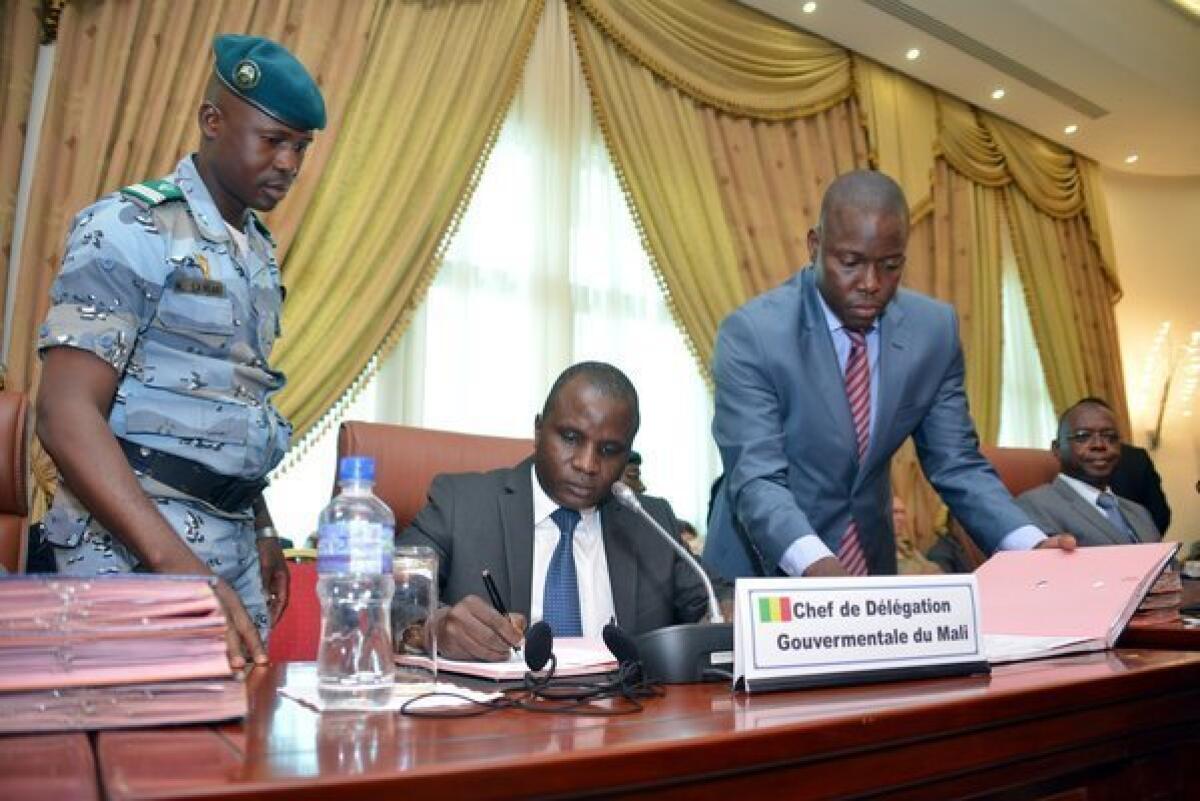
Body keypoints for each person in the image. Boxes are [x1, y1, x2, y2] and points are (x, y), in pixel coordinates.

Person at [35, 34, 326, 669]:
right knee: (134, 757)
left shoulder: (258, 249)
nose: (289, 163)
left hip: (232, 547)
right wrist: (178, 568)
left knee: (235, 756)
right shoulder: (129, 226)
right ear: (212, 121)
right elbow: (64, 415)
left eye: (300, 147)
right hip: (129, 552)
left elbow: (230, 405)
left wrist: (263, 525)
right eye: (273, 140)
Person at [706, 170, 1074, 579]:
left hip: (868, 559)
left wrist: (1029, 544)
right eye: (850, 263)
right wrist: (815, 564)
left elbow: (957, 463)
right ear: (814, 247)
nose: (871, 284)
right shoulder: (755, 334)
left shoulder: (933, 331)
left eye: (890, 265)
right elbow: (756, 476)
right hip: (766, 562)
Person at [397, 362, 709, 661]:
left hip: (623, 711)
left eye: (609, 450)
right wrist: (429, 630)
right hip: (498, 711)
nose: (587, 465)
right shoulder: (461, 504)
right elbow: (385, 594)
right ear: (538, 430)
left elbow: (715, 601)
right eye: (571, 438)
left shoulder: (649, 522)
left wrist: (730, 611)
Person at [1015, 399, 1161, 546]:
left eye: (1110, 437)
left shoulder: (1139, 512)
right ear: (1057, 449)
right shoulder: (1034, 505)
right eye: (1082, 436)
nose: (1099, 445)